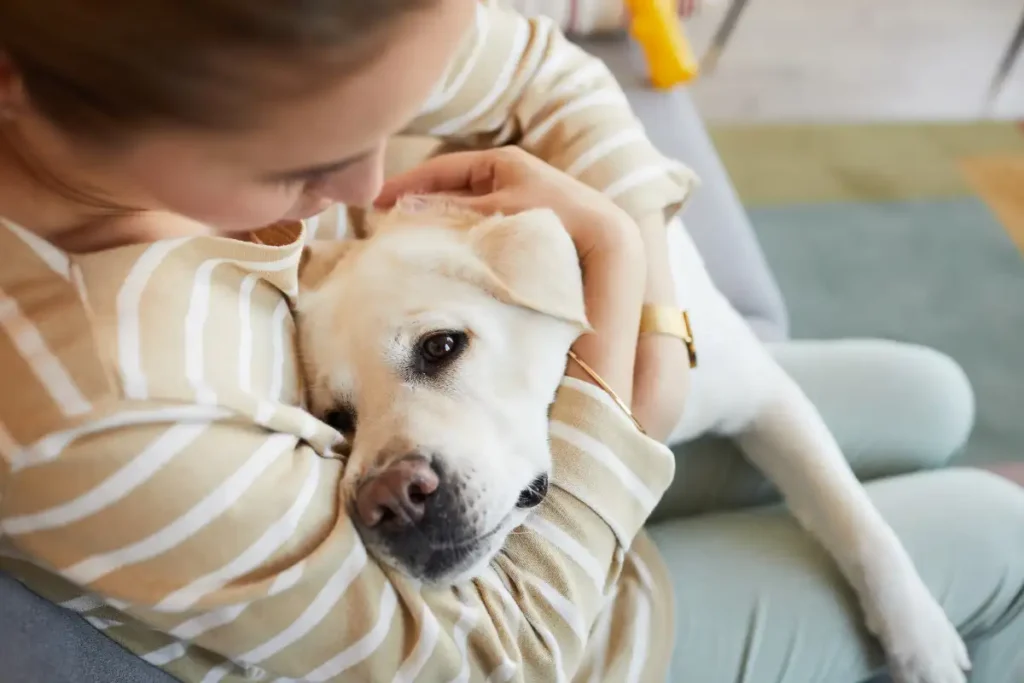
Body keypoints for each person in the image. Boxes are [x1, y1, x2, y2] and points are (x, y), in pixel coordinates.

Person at [0, 1, 1021, 682]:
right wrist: (619, 295)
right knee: (996, 531)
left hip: (525, 467)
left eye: (390, 121)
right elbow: (505, 652)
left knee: (925, 396)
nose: (366, 191)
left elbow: (546, 73)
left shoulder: (329, 30)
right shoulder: (87, 398)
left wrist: (645, 309)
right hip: (521, 635)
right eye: (294, 165)